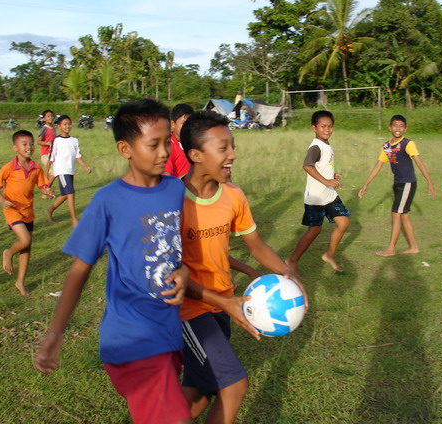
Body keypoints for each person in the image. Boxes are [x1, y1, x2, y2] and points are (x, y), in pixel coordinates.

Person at [35, 100, 193, 424]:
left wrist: (186, 270)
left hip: (170, 330)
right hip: (132, 337)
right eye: (153, 144)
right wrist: (55, 332)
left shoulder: (176, 189)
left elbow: (181, 247)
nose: (164, 152)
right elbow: (79, 269)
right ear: (125, 148)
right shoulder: (108, 200)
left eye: (167, 142)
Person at [179, 110, 307, 424]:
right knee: (234, 385)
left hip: (226, 304)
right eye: (223, 148)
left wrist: (287, 273)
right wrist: (221, 301)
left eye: (232, 146)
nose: (233, 155)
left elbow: (257, 246)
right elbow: (171, 273)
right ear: (196, 155)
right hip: (187, 309)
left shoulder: (234, 196)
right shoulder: (171, 202)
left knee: (197, 395)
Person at [358, 114, 436, 256]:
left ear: (405, 129)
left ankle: (391, 249)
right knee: (403, 215)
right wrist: (366, 184)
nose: (398, 128)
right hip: (398, 183)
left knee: (396, 213)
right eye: (395, 125)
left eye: (401, 126)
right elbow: (378, 165)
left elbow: (419, 162)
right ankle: (414, 247)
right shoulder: (387, 146)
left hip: (408, 183)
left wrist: (430, 182)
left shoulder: (408, 144)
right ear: (390, 127)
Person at [286, 110, 351, 274]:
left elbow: (321, 165)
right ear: (314, 128)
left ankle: (329, 254)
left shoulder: (326, 144)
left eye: (330, 126)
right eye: (323, 126)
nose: (327, 130)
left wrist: (332, 175)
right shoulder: (316, 146)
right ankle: (291, 260)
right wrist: (327, 181)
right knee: (314, 230)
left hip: (329, 195)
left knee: (343, 222)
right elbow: (307, 165)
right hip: (316, 198)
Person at [0, 130, 54, 296]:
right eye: (24, 144)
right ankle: (8, 252)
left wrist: (47, 191)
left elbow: (42, 185)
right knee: (24, 240)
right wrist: (2, 201)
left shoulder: (36, 167)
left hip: (28, 211)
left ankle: (20, 282)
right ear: (15, 148)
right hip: (12, 210)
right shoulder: (9, 167)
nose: (29, 147)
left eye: (31, 144)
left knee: (27, 248)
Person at [44, 115, 92, 227]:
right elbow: (51, 157)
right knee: (71, 193)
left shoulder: (74, 140)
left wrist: (85, 166)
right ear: (59, 126)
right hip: (61, 170)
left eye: (69, 124)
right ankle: (74, 220)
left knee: (66, 194)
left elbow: (77, 156)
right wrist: (46, 173)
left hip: (71, 170)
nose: (67, 126)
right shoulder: (56, 140)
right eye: (64, 124)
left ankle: (50, 210)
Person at [164, 104, 194, 178]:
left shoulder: (193, 143)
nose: (188, 127)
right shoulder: (168, 147)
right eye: (184, 123)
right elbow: (166, 177)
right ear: (173, 124)